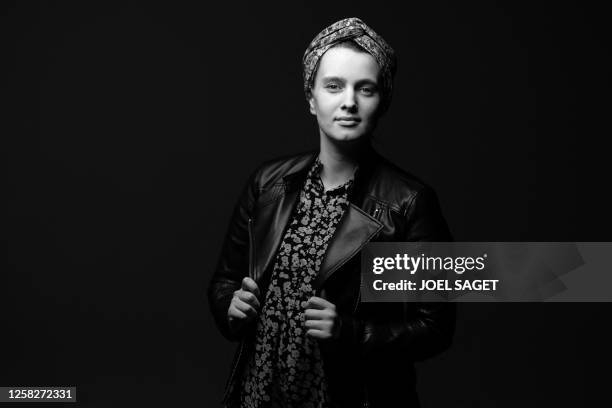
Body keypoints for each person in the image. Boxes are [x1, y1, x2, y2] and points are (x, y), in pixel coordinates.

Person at [208, 17, 455, 408]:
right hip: (259, 396)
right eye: (334, 85)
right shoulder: (268, 184)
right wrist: (231, 306)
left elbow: (435, 327)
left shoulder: (409, 203)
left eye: (366, 89)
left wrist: (351, 332)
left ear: (383, 100)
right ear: (311, 97)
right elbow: (224, 281)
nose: (349, 102)